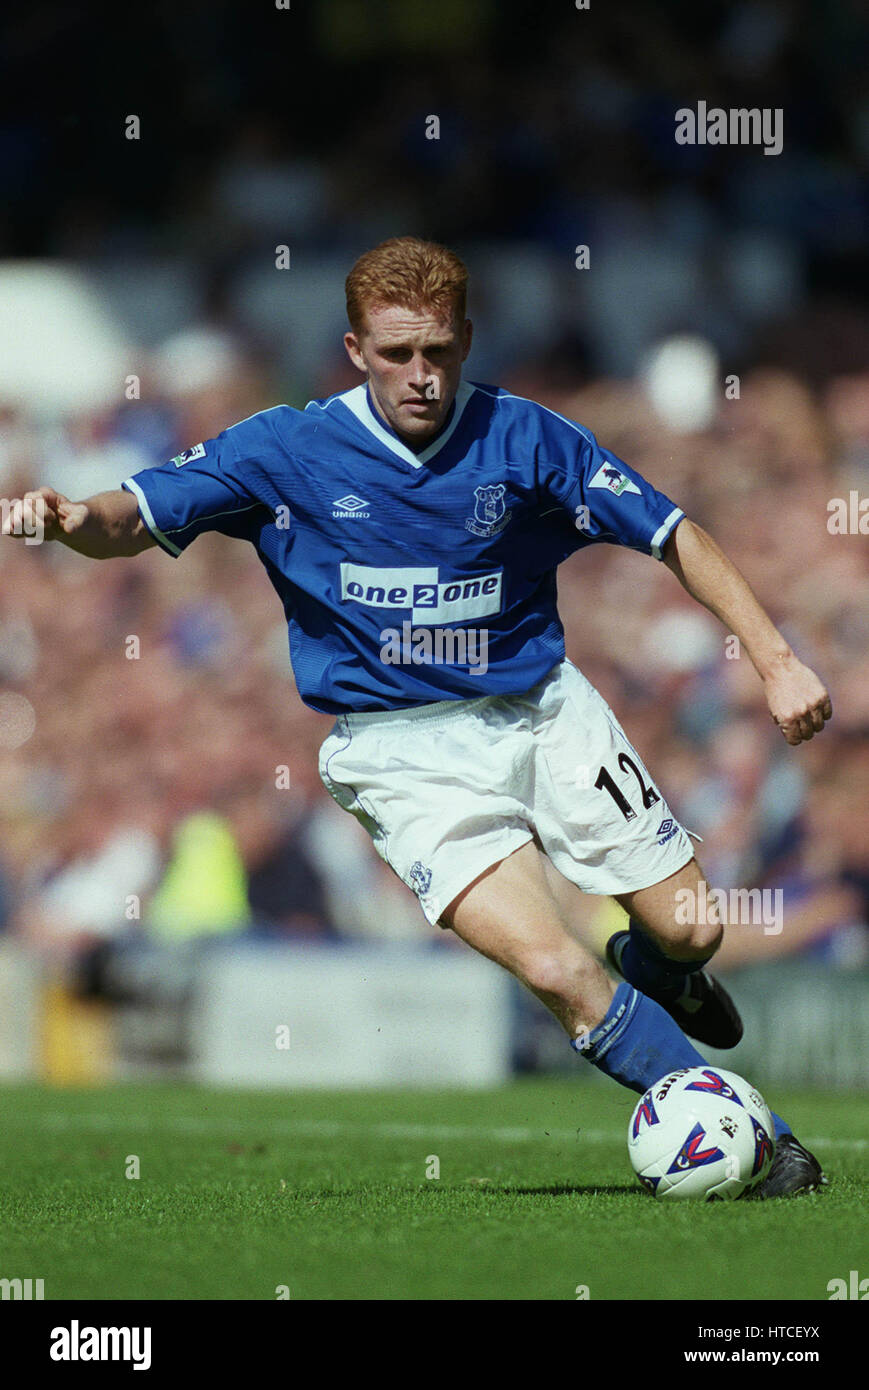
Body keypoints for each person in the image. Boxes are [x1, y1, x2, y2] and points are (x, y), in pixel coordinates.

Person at [4, 237, 833, 1196]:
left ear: (466, 340)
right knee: (552, 969)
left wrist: (773, 661)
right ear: (355, 349)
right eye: (396, 354)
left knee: (690, 928)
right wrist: (72, 520)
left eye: (437, 351)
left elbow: (668, 531)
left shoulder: (525, 438)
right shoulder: (285, 449)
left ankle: (662, 966)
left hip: (542, 712)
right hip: (399, 756)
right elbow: (134, 515)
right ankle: (756, 1134)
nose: (420, 376)